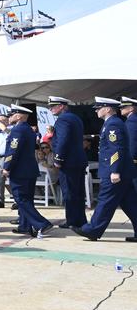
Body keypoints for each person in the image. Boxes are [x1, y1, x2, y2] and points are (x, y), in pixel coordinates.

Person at [72, 98, 137, 242]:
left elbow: (116, 149)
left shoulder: (113, 124)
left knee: (105, 201)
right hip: (123, 171)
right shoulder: (111, 123)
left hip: (115, 171)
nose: (96, 110)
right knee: (130, 203)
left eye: (99, 108)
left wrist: (115, 170)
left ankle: (93, 230)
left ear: (107, 109)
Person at [3, 106, 54, 237]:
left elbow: (13, 151)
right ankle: (25, 226)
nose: (10, 117)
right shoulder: (29, 130)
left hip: (20, 170)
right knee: (27, 199)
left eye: (12, 114)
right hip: (30, 169)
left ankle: (42, 223)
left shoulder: (17, 130)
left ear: (19, 116)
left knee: (20, 199)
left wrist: (7, 166)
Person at [48, 96, 88, 228]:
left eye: (53, 106)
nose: (51, 109)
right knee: (78, 192)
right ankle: (80, 219)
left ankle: (72, 220)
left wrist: (58, 159)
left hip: (69, 162)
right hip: (78, 160)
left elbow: (63, 141)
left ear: (62, 106)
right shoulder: (74, 117)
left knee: (69, 192)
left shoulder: (63, 119)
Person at [120, 97, 137, 193]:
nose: (120, 109)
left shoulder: (131, 121)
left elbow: (132, 143)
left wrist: (131, 160)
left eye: (123, 107)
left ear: (131, 108)